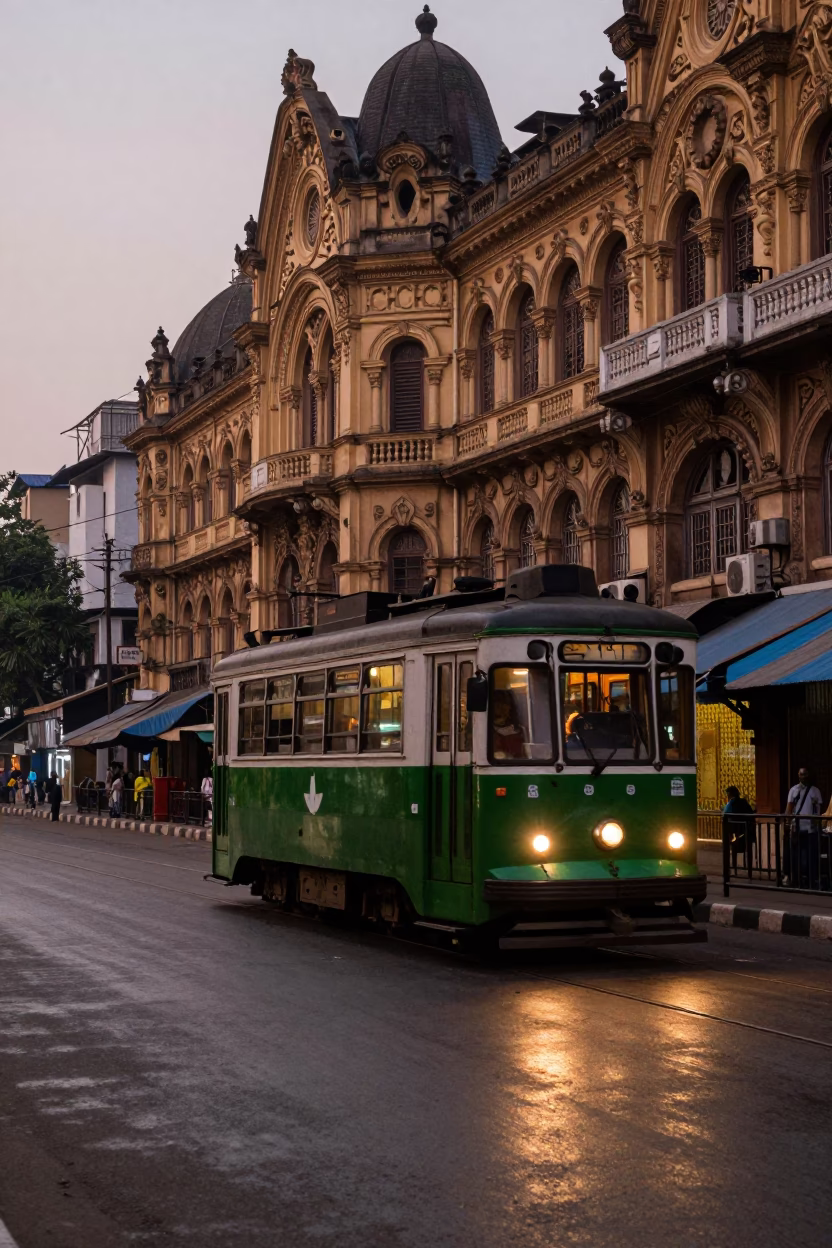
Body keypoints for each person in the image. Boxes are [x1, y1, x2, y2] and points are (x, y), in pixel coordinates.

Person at [785, 767, 823, 889]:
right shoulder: (794, 790)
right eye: (801, 774)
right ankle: (796, 880)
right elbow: (789, 808)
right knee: (796, 855)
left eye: (805, 774)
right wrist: (787, 823)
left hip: (811, 828)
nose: (804, 777)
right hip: (797, 827)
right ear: (798, 775)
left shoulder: (815, 791)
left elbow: (818, 809)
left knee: (810, 856)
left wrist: (817, 824)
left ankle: (811, 880)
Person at [722, 785, 755, 871]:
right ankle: (749, 870)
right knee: (748, 851)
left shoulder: (731, 803)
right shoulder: (744, 802)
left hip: (735, 832)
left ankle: (733, 868)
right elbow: (751, 813)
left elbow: (725, 814)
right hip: (746, 831)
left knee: (733, 849)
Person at [491, 691, 527, 760]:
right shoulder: (485, 731)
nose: (502, 707)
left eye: (506, 704)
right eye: (498, 704)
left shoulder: (520, 730)